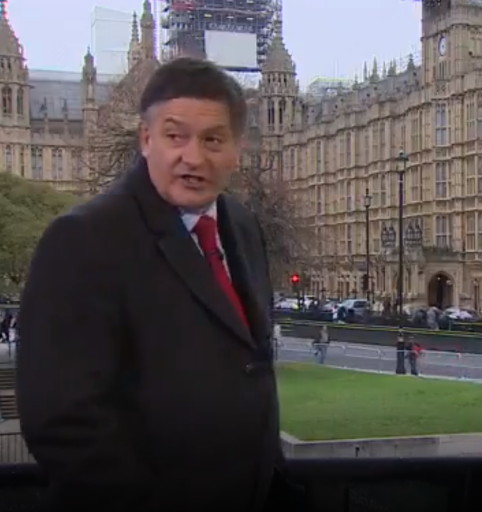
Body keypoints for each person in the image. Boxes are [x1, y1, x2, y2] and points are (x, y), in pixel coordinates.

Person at [16, 58, 302, 512]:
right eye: (175, 136)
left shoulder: (242, 226)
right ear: (145, 139)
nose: (194, 157)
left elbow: (251, 376)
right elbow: (63, 420)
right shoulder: (83, 239)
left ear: (236, 149)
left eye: (213, 140)